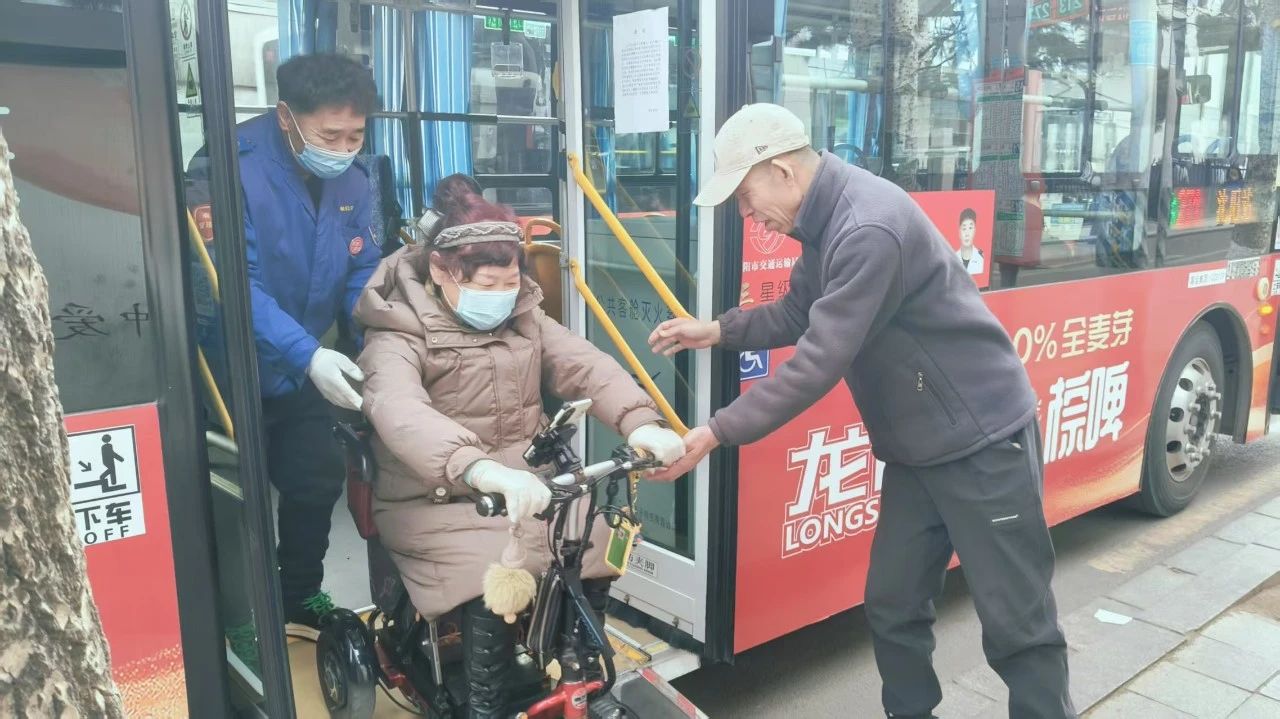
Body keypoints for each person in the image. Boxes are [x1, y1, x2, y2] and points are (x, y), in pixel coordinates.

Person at [648, 104, 1076, 719]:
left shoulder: (866, 226)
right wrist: (717, 330)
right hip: (919, 449)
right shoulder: (824, 220)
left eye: (744, 195)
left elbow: (817, 362)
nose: (746, 214)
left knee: (1018, 625)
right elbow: (799, 312)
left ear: (782, 172)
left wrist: (715, 432)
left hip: (982, 441)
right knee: (893, 604)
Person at [353, 176, 685, 719]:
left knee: (593, 540)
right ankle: (485, 703)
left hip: (528, 486)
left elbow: (585, 365)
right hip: (435, 496)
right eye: (488, 284)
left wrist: (639, 422)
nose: (502, 296)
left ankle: (583, 675)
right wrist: (477, 468)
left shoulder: (525, 315)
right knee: (489, 572)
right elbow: (399, 410)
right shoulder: (396, 331)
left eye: (511, 282)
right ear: (441, 270)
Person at [185, 53, 383, 631]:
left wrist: (376, 337)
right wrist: (308, 353)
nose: (343, 147)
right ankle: (235, 619)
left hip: (303, 366)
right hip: (227, 364)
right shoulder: (226, 167)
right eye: (330, 135)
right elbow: (229, 283)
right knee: (232, 492)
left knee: (315, 477)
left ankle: (299, 594)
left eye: (355, 135)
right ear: (285, 116)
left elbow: (362, 269)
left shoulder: (354, 179)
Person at [956, 207, 984, 276]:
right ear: (959, 231)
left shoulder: (981, 258)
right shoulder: (953, 258)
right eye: (964, 228)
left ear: (975, 230)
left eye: (970, 228)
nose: (967, 233)